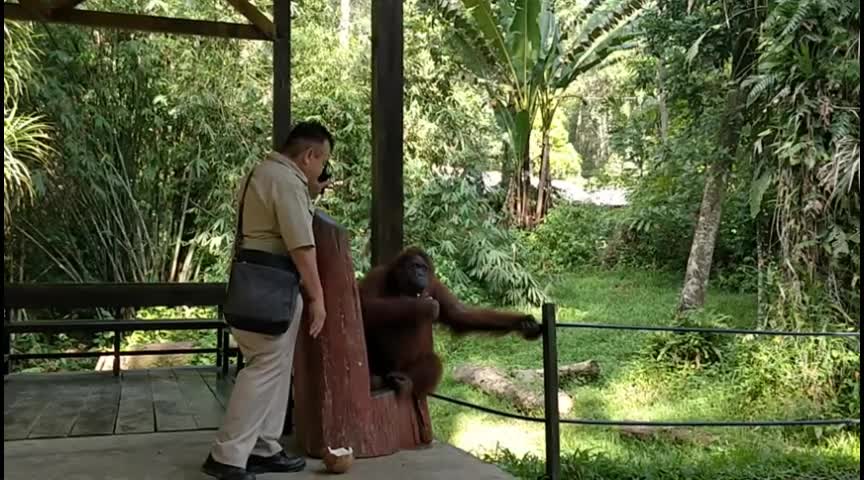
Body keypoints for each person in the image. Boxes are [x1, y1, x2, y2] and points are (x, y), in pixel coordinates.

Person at [202, 121, 334, 480]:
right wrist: (318, 298)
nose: (322, 170)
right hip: (273, 289)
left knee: (272, 370)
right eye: (322, 162)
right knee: (263, 369)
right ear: (310, 156)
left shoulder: (265, 172)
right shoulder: (286, 181)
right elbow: (301, 246)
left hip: (256, 285)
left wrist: (311, 193)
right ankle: (227, 455)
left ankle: (262, 447)